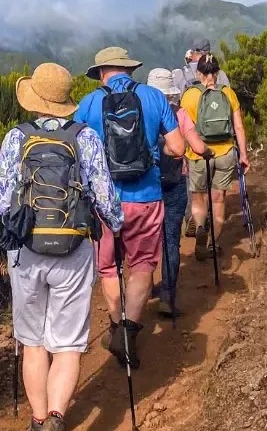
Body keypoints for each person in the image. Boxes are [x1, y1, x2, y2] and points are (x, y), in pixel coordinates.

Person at [0, 62, 125, 431]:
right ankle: (56, 417)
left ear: (34, 99)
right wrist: (116, 226)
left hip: (26, 250)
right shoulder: (85, 137)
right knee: (67, 344)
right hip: (75, 249)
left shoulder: (16, 138)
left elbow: (0, 201)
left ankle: (36, 419)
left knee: (33, 342)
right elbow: (105, 198)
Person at [74, 47, 184, 369]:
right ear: (129, 70)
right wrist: (153, 145)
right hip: (147, 196)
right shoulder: (153, 97)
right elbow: (178, 148)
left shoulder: (89, 103)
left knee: (108, 267)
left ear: (101, 72)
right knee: (142, 266)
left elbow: (76, 151)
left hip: (105, 201)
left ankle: (115, 325)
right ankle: (129, 334)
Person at [146, 67, 211, 318]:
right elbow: (194, 146)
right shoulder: (180, 114)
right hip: (174, 182)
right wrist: (207, 152)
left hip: (146, 185)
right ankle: (167, 296)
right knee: (171, 240)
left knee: (146, 239)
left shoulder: (141, 113)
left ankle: (145, 284)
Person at [180, 52, 249, 261]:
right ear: (217, 73)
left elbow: (185, 129)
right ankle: (213, 243)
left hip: (199, 154)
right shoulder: (228, 93)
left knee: (199, 197)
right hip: (226, 152)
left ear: (198, 73)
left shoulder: (190, 95)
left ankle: (200, 226)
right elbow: (238, 126)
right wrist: (243, 155)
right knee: (218, 199)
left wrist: (185, 155)